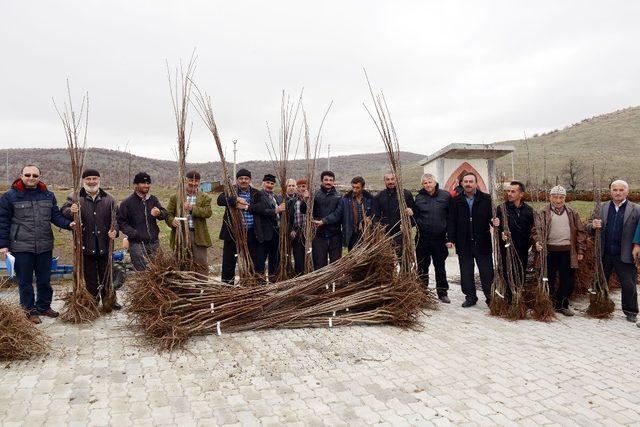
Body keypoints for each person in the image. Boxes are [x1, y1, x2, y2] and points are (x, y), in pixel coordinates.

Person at [0, 165, 74, 323]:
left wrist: (69, 224)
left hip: (44, 245)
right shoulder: (10, 196)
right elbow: (3, 222)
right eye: (27, 175)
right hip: (21, 246)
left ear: (40, 176)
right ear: (21, 175)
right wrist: (3, 245)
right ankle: (29, 310)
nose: (31, 178)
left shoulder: (48, 195)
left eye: (35, 175)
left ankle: (44, 306)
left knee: (44, 279)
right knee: (25, 281)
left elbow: (55, 217)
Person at [61, 169, 120, 309]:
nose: (92, 181)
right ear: (83, 181)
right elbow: (63, 211)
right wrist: (71, 211)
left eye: (94, 178)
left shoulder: (109, 198)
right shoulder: (74, 197)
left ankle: (109, 299)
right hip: (85, 244)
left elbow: (117, 219)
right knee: (90, 276)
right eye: (88, 179)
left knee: (106, 274)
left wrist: (115, 231)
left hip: (105, 244)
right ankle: (92, 300)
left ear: (99, 180)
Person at [588, 180, 640, 322]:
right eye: (615, 189)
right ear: (610, 191)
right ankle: (599, 305)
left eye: (621, 190)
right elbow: (587, 225)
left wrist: (637, 245)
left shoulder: (636, 209)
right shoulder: (602, 208)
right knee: (599, 281)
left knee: (628, 284)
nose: (617, 192)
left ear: (627, 192)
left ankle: (631, 311)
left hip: (625, 253)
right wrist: (592, 225)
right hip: (604, 253)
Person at [532, 185, 586, 316]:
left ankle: (562, 305)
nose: (558, 200)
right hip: (549, 251)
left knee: (567, 280)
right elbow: (536, 230)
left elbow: (581, 232)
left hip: (567, 252)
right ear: (550, 197)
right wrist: (538, 241)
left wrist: (580, 250)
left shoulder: (572, 213)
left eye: (561, 197)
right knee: (548, 279)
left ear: (565, 198)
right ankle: (548, 304)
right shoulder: (542, 212)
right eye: (555, 197)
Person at [447, 172, 499, 308]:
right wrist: (450, 239)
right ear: (462, 184)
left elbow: (493, 219)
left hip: (482, 242)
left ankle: (490, 297)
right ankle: (470, 297)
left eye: (471, 181)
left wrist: (496, 222)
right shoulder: (456, 201)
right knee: (466, 272)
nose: (468, 184)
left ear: (476, 183)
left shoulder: (486, 199)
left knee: (487, 272)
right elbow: (451, 221)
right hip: (463, 243)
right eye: (466, 182)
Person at [217, 168, 261, 284]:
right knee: (229, 262)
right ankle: (227, 287)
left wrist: (246, 207)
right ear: (237, 180)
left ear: (250, 180)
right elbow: (220, 200)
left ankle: (249, 285)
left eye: (246, 178)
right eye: (241, 178)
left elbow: (261, 208)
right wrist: (235, 199)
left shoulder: (256, 193)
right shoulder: (231, 191)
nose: (243, 181)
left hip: (251, 233)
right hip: (233, 233)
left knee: (251, 261)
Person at [117, 172, 167, 271]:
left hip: (154, 243)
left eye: (148, 183)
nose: (146, 185)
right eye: (143, 183)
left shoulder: (153, 200)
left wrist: (159, 213)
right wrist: (133, 233)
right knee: (142, 273)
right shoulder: (127, 203)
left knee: (158, 271)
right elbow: (122, 222)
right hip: (137, 244)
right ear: (136, 185)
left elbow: (164, 213)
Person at [413, 174, 451, 303]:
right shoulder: (418, 198)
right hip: (422, 238)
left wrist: (449, 237)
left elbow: (451, 217)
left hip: (439, 238)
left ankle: (442, 292)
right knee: (422, 266)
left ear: (435, 182)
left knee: (440, 266)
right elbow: (415, 217)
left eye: (430, 182)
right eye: (425, 183)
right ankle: (422, 291)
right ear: (422, 185)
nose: (427, 185)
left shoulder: (445, 196)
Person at [166, 170, 212, 273]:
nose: (193, 183)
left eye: (196, 181)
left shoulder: (204, 197)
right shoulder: (176, 197)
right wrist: (171, 221)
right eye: (191, 180)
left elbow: (208, 212)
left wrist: (192, 208)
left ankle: (201, 286)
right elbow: (168, 214)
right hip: (180, 234)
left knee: (201, 263)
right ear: (186, 181)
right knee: (181, 261)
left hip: (198, 234)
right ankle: (184, 286)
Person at [496, 181, 535, 291]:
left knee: (520, 275)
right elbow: (495, 226)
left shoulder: (529, 210)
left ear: (521, 194)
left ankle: (517, 299)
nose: (509, 193)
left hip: (522, 250)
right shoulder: (501, 209)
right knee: (506, 275)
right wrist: (501, 233)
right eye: (508, 191)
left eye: (513, 191)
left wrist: (531, 244)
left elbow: (533, 230)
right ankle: (507, 301)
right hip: (506, 249)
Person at [252, 174, 285, 281]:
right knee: (260, 260)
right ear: (263, 183)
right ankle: (260, 283)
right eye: (267, 183)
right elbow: (259, 211)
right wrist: (276, 210)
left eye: (272, 183)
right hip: (263, 233)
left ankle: (272, 281)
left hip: (276, 233)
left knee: (274, 260)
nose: (270, 185)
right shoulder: (258, 195)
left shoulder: (276, 197)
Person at [373, 173, 415, 252]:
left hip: (402, 235)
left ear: (397, 180)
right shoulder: (379, 196)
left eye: (392, 179)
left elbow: (414, 214)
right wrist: (379, 228)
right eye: (387, 179)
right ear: (384, 181)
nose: (390, 181)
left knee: (403, 261)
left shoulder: (406, 194)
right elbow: (375, 215)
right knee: (387, 262)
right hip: (385, 235)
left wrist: (408, 225)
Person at [312, 171, 343, 269]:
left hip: (335, 235)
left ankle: (335, 284)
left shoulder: (339, 196)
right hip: (319, 236)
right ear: (321, 181)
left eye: (331, 180)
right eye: (326, 180)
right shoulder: (315, 194)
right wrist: (305, 200)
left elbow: (338, 214)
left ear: (333, 182)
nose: (328, 182)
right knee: (319, 264)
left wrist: (324, 221)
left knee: (336, 264)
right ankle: (321, 284)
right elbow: (305, 210)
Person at [341, 176, 376, 251]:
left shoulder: (370, 199)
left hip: (366, 234)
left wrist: (370, 220)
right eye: (353, 187)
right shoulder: (346, 199)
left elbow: (374, 213)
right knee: (352, 256)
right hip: (352, 233)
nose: (354, 190)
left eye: (357, 188)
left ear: (363, 187)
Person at [286, 179, 308, 275]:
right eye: (299, 187)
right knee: (298, 258)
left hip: (309, 233)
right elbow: (289, 218)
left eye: (303, 186)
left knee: (309, 258)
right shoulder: (292, 201)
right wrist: (291, 230)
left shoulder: (312, 199)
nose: (301, 189)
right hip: (297, 232)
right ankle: (299, 277)